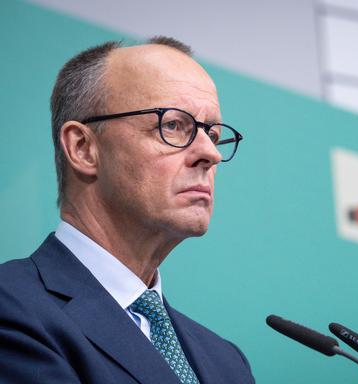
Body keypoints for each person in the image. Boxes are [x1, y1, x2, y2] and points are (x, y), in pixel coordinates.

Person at [0, 36, 254, 384]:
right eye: (174, 125)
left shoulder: (227, 363)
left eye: (211, 133)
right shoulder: (12, 308)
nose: (209, 153)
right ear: (83, 148)